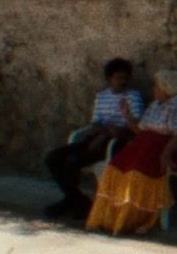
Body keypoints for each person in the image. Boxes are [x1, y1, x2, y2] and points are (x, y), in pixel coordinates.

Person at [84, 68, 177, 236]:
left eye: (156, 86)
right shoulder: (156, 105)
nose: (154, 89)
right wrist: (128, 116)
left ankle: (132, 220)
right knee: (114, 168)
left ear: (167, 87)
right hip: (142, 145)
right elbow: (141, 130)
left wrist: (165, 154)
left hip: (162, 147)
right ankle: (109, 218)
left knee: (136, 175)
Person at [42, 58, 144, 221]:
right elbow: (95, 124)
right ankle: (77, 200)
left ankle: (73, 202)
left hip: (116, 144)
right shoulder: (102, 96)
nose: (123, 81)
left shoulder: (133, 96)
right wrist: (106, 131)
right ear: (109, 79)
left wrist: (107, 133)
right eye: (119, 77)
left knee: (73, 161)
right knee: (52, 158)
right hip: (96, 139)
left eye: (126, 78)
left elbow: (132, 130)